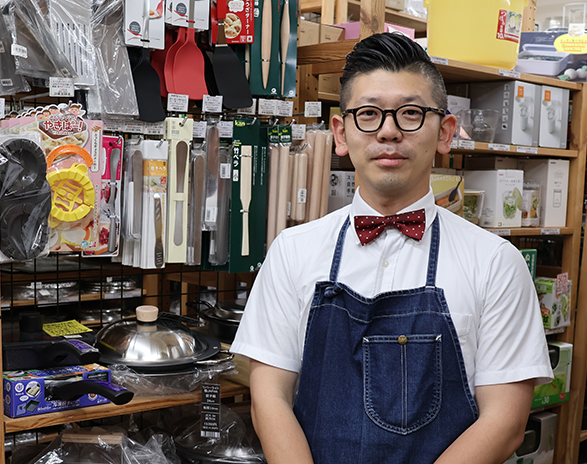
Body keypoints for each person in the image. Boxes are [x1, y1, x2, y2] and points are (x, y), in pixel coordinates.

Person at [230, 33, 553, 464]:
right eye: (368, 114)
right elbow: (268, 395)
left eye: (411, 113)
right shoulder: (293, 250)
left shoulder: (495, 263)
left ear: (445, 132)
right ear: (341, 134)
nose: (388, 131)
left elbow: (506, 422)